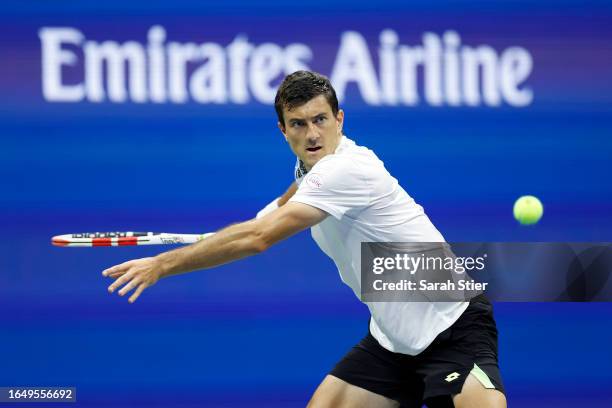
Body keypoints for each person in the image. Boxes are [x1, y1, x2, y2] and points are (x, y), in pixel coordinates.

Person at [102, 70, 507, 407]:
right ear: (283, 130)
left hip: (452, 326)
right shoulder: (310, 174)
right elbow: (276, 209)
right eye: (298, 123)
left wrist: (162, 264)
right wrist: (229, 233)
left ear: (340, 120)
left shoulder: (347, 170)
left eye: (321, 120)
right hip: (393, 340)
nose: (312, 133)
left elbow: (259, 238)